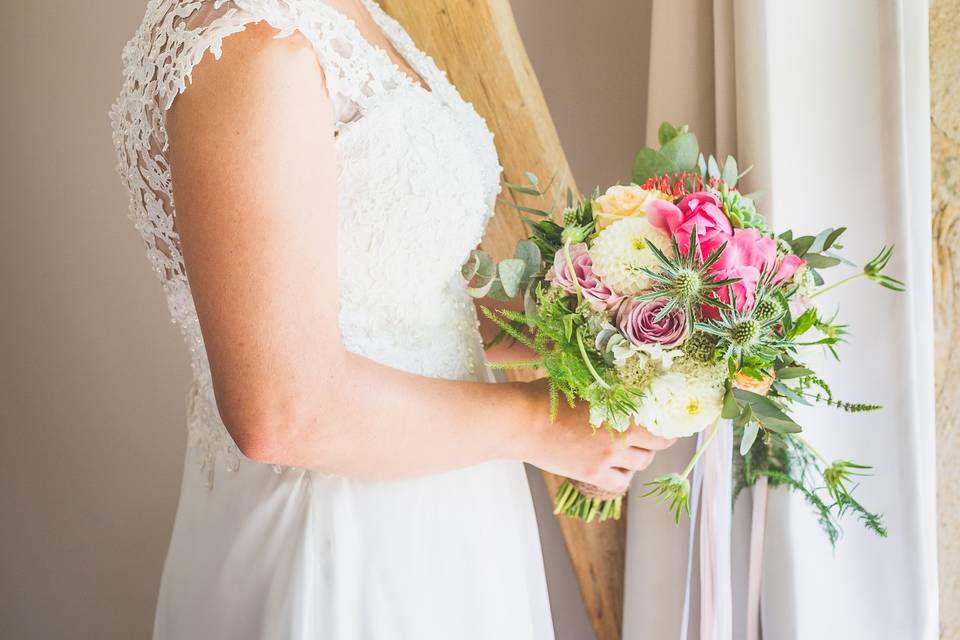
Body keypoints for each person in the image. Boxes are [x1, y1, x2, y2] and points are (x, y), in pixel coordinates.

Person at [110, 1, 673, 637]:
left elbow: (390, 288)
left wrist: (594, 328)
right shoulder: (253, 45)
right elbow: (284, 410)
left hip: (447, 501)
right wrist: (543, 424)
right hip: (346, 530)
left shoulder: (347, 11)